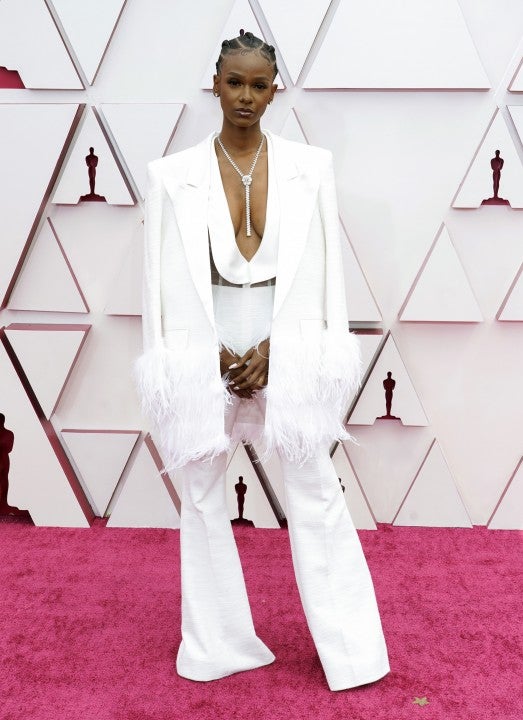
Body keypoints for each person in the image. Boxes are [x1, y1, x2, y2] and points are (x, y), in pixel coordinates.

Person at [136, 30, 389, 691]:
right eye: (234, 82)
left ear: (274, 91)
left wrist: (288, 350)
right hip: (207, 339)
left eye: (258, 84)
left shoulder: (311, 167)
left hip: (288, 338)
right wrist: (197, 354)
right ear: (215, 85)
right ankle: (216, 646)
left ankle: (353, 653)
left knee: (316, 488)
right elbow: (159, 282)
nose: (245, 95)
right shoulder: (170, 175)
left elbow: (325, 272)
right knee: (199, 494)